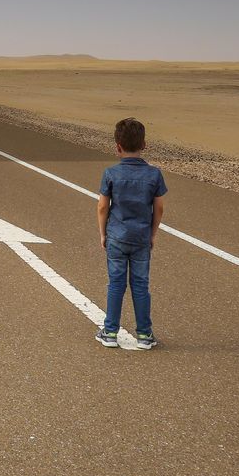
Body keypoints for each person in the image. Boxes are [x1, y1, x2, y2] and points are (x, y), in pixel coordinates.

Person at [95, 117, 167, 350]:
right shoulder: (154, 175)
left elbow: (103, 206)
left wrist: (103, 232)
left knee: (116, 283)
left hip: (117, 235)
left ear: (117, 146)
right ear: (144, 144)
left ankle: (110, 331)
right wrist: (152, 234)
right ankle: (144, 334)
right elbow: (159, 207)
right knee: (140, 284)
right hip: (141, 237)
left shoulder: (110, 173)